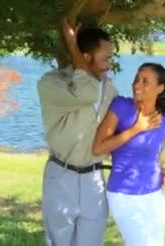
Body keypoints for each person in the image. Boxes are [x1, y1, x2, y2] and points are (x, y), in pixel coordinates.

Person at [37, 19, 117, 246]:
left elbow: (116, 133)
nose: (110, 65)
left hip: (94, 179)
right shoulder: (51, 83)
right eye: (106, 58)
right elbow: (87, 94)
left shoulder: (109, 88)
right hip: (61, 176)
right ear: (86, 57)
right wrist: (73, 46)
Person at [92, 62, 165, 246]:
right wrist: (136, 128)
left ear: (160, 88)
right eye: (136, 79)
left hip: (153, 195)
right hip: (124, 194)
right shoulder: (120, 107)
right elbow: (98, 148)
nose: (136, 85)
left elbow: (155, 159)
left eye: (145, 81)